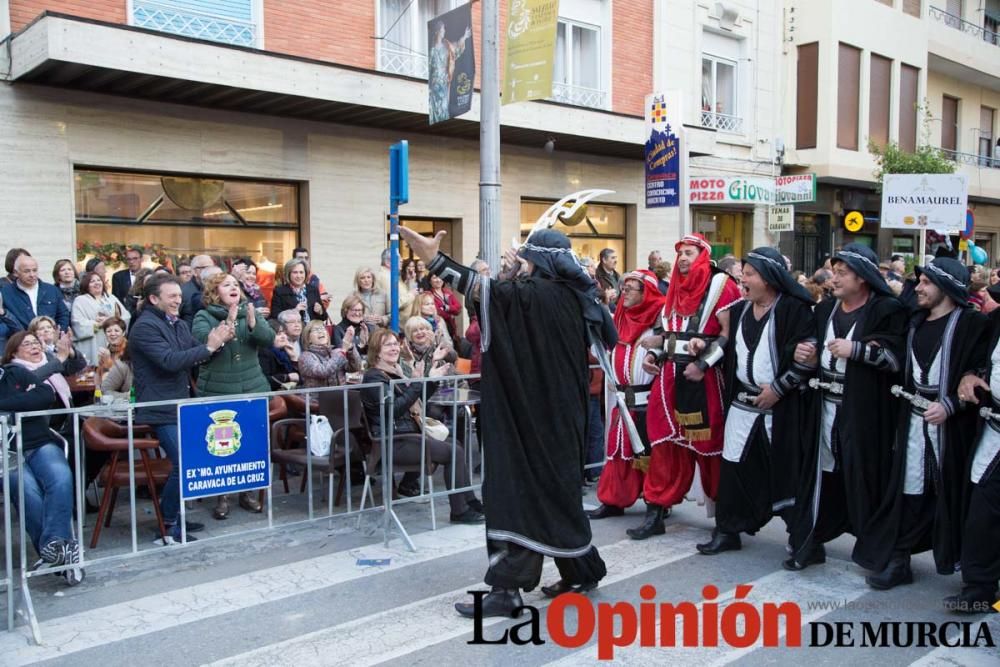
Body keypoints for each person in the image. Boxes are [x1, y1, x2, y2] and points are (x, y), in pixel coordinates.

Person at [399, 219, 615, 618]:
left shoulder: (529, 296)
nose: (521, 262)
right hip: (564, 419)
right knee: (556, 495)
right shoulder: (577, 298)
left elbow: (478, 289)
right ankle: (582, 570)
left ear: (538, 263)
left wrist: (433, 258)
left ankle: (507, 590)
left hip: (526, 417)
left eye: (526, 257)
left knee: (514, 494)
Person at [853, 258, 987, 589]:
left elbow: (982, 375)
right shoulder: (913, 323)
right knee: (909, 491)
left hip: (953, 429)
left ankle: (971, 573)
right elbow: (894, 359)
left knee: (953, 494)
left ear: (946, 288)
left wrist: (952, 406)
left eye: (927, 282)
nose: (919, 288)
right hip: (912, 422)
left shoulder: (971, 324)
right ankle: (899, 560)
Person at [786, 244, 907, 571]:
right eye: (833, 271)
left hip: (865, 414)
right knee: (821, 477)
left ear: (863, 278)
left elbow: (896, 359)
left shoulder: (886, 310)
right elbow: (812, 347)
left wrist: (856, 350)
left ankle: (887, 554)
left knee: (868, 478)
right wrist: (805, 354)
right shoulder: (824, 309)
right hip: (824, 407)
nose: (833, 278)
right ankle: (811, 541)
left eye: (842, 273)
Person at [696, 248, 817, 557]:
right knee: (733, 469)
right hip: (742, 405)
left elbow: (808, 357)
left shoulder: (795, 310)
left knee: (787, 473)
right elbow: (723, 344)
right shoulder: (737, 310)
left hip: (781, 407)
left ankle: (804, 542)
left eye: (749, 274)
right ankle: (728, 530)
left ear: (769, 278)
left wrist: (778, 389)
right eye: (742, 273)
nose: (742, 278)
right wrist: (702, 355)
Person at [635, 234, 742, 540]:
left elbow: (727, 334)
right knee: (662, 443)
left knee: (710, 449)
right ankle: (655, 511)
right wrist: (654, 354)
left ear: (703, 255)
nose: (682, 257)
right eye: (680, 252)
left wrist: (704, 364)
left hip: (703, 377)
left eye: (689, 252)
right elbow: (667, 332)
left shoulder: (722, 286)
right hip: (668, 375)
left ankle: (726, 525)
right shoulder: (674, 291)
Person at [129, 272, 234, 542]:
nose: (178, 300)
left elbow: (195, 355)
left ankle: (173, 517)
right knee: (184, 463)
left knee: (188, 462)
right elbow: (169, 361)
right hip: (159, 407)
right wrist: (209, 347)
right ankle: (168, 525)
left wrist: (218, 342)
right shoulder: (144, 326)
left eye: (179, 295)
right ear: (154, 298)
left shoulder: (177, 324)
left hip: (180, 404)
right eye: (172, 296)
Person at [360, 328, 484, 518]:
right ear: (376, 350)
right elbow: (392, 410)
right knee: (454, 451)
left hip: (408, 436)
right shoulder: (374, 377)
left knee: (455, 444)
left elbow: (416, 402)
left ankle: (469, 501)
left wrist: (431, 381)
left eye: (395, 344)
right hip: (392, 442)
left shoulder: (393, 373)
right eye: (388, 345)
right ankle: (459, 510)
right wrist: (419, 382)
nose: (394, 348)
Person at [0, 342, 84, 585]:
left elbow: (45, 394)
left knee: (60, 477)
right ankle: (61, 553)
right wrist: (23, 399)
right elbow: (33, 398)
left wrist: (6, 405)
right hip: (6, 452)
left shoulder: (14, 372)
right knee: (27, 491)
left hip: (39, 442)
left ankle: (53, 547)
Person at [193, 273, 276, 519]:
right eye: (227, 284)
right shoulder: (203, 316)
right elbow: (202, 345)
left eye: (236, 285)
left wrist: (253, 323)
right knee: (223, 446)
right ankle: (223, 497)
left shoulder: (250, 312)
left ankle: (248, 494)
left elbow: (268, 339)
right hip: (219, 391)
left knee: (251, 442)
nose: (234, 288)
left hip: (252, 389)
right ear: (214, 291)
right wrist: (228, 322)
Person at [588, 270, 665, 520]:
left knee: (649, 456)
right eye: (624, 288)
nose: (625, 292)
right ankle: (613, 501)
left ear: (646, 293)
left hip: (648, 401)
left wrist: (659, 347)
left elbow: (669, 353)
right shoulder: (619, 320)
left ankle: (658, 504)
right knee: (617, 451)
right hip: (622, 400)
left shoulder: (659, 325)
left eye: (631, 288)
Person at [947, 309, 1000, 611]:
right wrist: (970, 375)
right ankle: (980, 587)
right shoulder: (996, 321)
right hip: (994, 428)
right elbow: (979, 360)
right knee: (983, 506)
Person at [71, 270, 130, 365]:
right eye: (92, 281)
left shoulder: (111, 298)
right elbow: (78, 323)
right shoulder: (80, 300)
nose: (96, 283)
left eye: (98, 280)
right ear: (86, 285)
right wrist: (98, 324)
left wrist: (111, 321)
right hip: (93, 343)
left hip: (112, 343)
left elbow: (126, 316)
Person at [1, 254, 70, 331]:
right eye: (27, 271)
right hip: (21, 340)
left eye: (34, 270)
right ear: (16, 272)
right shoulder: (5, 294)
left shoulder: (51, 290)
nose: (32, 275)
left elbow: (63, 315)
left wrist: (58, 334)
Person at [428, 20, 471, 124]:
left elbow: (455, 52)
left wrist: (464, 37)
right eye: (443, 29)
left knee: (443, 106)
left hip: (443, 82)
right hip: (434, 84)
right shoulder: (432, 50)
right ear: (437, 31)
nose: (444, 31)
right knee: (435, 107)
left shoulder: (446, 47)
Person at [298, 319, 361, 388]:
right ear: (308, 338)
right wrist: (343, 351)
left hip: (341, 396)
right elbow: (323, 372)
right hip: (317, 398)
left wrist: (350, 348)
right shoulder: (305, 357)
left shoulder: (336, 352)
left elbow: (355, 368)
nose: (321, 331)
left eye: (323, 328)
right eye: (316, 330)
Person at [272, 258, 326, 324]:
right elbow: (275, 316)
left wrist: (320, 311)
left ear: (305, 274)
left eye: (301, 272)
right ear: (288, 274)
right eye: (295, 272)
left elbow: (324, 317)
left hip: (312, 331)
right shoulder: (279, 291)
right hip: (293, 331)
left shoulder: (313, 289)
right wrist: (295, 311)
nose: (298, 276)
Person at [259, 309, 302, 390]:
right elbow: (264, 380)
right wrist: (288, 377)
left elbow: (300, 379)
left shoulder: (284, 352)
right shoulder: (263, 353)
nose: (283, 337)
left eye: (284, 333)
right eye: (278, 334)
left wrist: (293, 358)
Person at [97, 317, 131, 400]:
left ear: (123, 333)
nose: (112, 334)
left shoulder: (128, 351)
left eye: (116, 331)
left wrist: (108, 363)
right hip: (108, 393)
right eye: (109, 331)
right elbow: (100, 375)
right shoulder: (107, 350)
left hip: (125, 397)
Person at [180, 255, 215, 326]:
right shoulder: (182, 292)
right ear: (194, 272)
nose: (212, 271)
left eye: (213, 267)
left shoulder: (216, 288)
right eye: (207, 268)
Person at [428, 273, 462, 341]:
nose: (438, 280)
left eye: (440, 277)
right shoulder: (428, 294)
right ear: (430, 281)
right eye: (435, 278)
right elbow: (439, 312)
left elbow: (459, 308)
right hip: (438, 327)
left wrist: (447, 308)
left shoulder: (447, 292)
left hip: (451, 326)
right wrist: (451, 311)